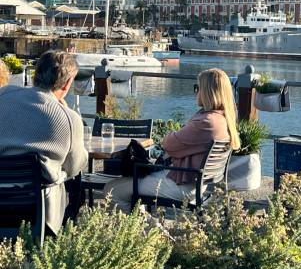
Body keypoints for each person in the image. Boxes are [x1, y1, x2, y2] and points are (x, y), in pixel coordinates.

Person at [105, 68, 240, 212]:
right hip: (196, 184)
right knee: (129, 185)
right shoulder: (223, 119)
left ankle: (141, 229)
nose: (196, 92)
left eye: (197, 88)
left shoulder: (206, 122)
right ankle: (145, 225)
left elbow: (168, 144)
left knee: (111, 190)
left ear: (207, 92)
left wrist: (173, 136)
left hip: (180, 185)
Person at [0, 50, 88, 234]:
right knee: (73, 184)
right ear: (68, 83)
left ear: (35, 74)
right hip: (37, 208)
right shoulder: (68, 119)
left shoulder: (4, 95)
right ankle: (60, 244)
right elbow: (75, 167)